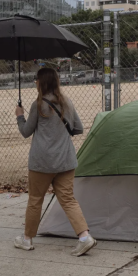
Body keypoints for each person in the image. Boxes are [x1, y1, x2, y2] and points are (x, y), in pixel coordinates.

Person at [14, 67, 96, 256]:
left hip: (41, 162)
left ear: (41, 83)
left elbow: (26, 131)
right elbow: (78, 128)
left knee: (35, 199)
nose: (35, 82)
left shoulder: (38, 105)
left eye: (36, 80)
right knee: (68, 199)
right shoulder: (67, 102)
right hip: (65, 160)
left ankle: (27, 239)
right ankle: (84, 237)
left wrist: (19, 115)